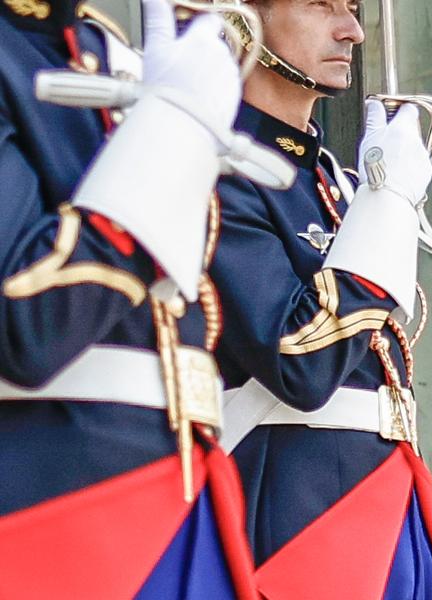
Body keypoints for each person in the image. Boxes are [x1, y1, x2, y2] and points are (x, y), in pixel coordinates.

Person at [0, 0, 258, 597]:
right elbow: (27, 319)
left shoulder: (103, 50)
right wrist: (172, 134)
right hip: (54, 511)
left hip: (183, 496)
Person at [207, 1, 432, 598]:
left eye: (351, 8)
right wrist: (388, 205)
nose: (351, 30)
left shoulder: (331, 183)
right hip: (293, 515)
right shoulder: (218, 172)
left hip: (385, 499)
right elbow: (302, 362)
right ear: (242, 16)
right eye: (320, 6)